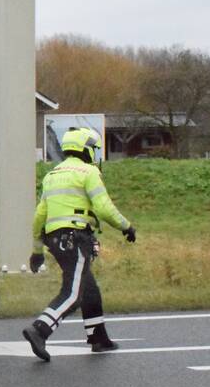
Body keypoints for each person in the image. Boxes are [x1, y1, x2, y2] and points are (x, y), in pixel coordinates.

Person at [22, 127, 137, 362]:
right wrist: (126, 226)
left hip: (55, 240)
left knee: (88, 288)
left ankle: (98, 338)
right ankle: (40, 329)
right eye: (95, 149)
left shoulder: (52, 174)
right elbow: (104, 208)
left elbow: (39, 216)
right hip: (76, 237)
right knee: (73, 294)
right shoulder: (88, 172)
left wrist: (37, 252)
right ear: (87, 149)